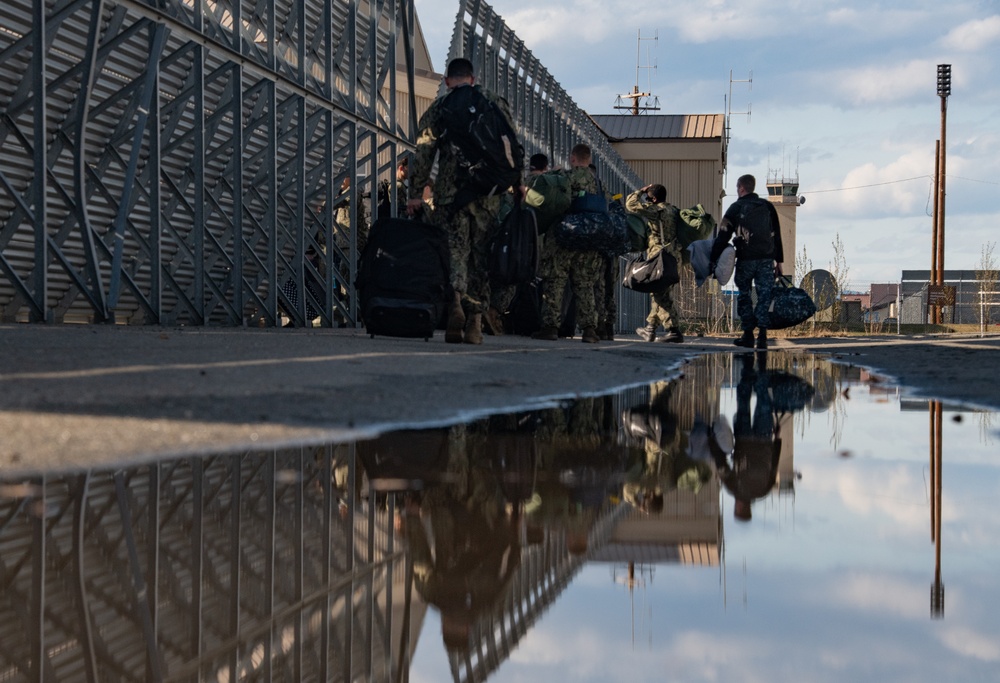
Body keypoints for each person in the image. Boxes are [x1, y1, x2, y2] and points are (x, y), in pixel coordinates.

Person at [406, 57, 522, 345]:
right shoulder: (494, 101)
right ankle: (475, 322)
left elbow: (423, 152)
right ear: (473, 77)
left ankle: (456, 303)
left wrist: (415, 193)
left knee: (455, 253)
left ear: (447, 82)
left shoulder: (440, 107)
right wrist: (519, 183)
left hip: (451, 194)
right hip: (488, 195)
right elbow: (513, 145)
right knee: (481, 257)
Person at [532, 143, 603, 344]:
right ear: (589, 160)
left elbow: (547, 200)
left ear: (573, 159)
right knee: (585, 284)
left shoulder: (565, 178)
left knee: (555, 281)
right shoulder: (598, 183)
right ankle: (589, 329)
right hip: (588, 239)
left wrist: (554, 175)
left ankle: (550, 327)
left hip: (563, 236)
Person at [709, 174, 784, 350]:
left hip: (746, 259)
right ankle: (763, 335)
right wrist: (779, 261)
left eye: (737, 188)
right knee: (764, 295)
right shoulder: (767, 206)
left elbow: (723, 235)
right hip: (766, 259)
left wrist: (713, 258)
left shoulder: (736, 208)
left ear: (741, 188)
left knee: (744, 294)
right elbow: (777, 234)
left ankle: (748, 334)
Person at [713, 352, 781, 521]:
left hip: (764, 438)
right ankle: (747, 366)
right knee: (743, 402)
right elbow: (721, 463)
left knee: (763, 400)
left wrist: (778, 440)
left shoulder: (764, 491)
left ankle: (760, 365)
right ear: (740, 507)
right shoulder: (734, 489)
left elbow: (774, 466)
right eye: (737, 508)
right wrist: (712, 440)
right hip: (743, 439)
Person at [627, 183, 684, 343]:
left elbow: (630, 204)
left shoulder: (656, 211)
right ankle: (650, 329)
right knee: (659, 292)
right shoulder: (673, 210)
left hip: (660, 257)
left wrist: (641, 190)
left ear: (653, 198)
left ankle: (674, 330)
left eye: (648, 197)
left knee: (661, 295)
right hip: (674, 256)